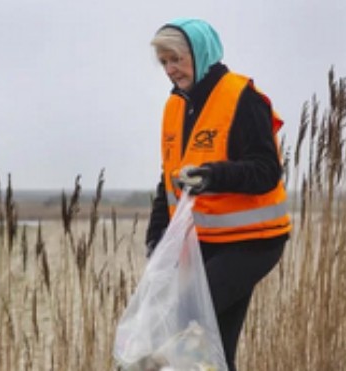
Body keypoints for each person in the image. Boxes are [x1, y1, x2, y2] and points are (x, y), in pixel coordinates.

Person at [145, 18, 291, 371]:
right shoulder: (175, 106)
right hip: (205, 243)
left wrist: (213, 175)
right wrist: (156, 239)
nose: (170, 70)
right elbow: (169, 180)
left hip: (254, 242)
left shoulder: (243, 98)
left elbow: (266, 171)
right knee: (215, 352)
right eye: (164, 62)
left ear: (199, 52)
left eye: (176, 59)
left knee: (183, 318)